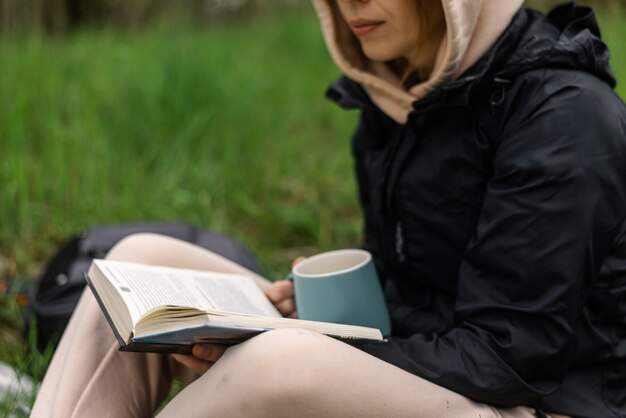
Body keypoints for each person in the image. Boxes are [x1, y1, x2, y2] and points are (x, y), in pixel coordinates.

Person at [31, 0, 626, 417]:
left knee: (276, 362)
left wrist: (299, 346)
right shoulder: (394, 96)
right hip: (441, 368)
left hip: (532, 403)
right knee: (139, 261)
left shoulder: (561, 113)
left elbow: (509, 357)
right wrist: (309, 308)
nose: (350, 3)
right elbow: (411, 287)